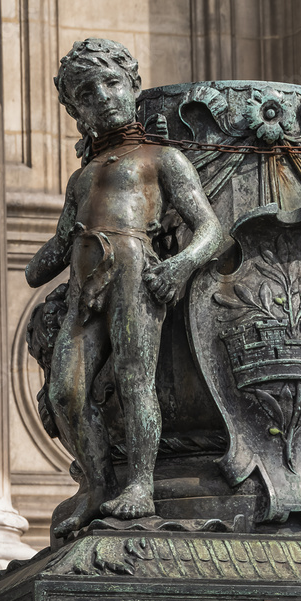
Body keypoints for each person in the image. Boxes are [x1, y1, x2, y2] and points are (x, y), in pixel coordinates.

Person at [25, 39, 222, 537]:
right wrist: (41, 260)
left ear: (133, 86)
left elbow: (210, 229)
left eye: (112, 83)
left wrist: (180, 267)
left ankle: (140, 484)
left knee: (137, 380)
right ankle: (95, 484)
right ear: (75, 110)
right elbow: (53, 249)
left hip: (135, 266)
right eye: (87, 92)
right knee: (65, 392)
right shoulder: (81, 177)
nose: (103, 97)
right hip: (84, 278)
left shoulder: (162, 158)